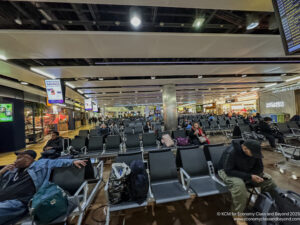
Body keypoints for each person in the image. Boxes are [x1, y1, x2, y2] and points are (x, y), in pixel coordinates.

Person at [0, 150, 87, 225]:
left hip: (19, 202)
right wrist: (2, 172)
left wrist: (73, 162)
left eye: (19, 158)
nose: (16, 161)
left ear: (28, 158)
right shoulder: (12, 170)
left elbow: (56, 162)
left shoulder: (40, 164)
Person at [217, 140, 276, 225]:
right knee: (239, 185)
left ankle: (270, 205)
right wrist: (249, 177)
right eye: (253, 154)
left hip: (246, 171)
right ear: (245, 148)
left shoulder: (254, 152)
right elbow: (228, 170)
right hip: (227, 171)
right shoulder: (231, 152)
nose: (255, 156)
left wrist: (255, 175)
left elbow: (259, 168)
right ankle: (237, 214)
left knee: (268, 180)